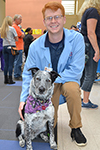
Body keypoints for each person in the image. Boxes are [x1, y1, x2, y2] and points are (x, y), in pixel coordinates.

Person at [18, 1, 87, 146]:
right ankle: (50, 126)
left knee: (73, 90)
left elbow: (76, 70)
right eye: (49, 18)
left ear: (64, 19)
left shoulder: (77, 39)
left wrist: (52, 79)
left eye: (57, 17)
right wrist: (23, 100)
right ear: (44, 21)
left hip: (67, 81)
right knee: (50, 122)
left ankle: (76, 127)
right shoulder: (35, 46)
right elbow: (27, 75)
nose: (53, 21)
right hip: (47, 85)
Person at [80, 0, 100, 109]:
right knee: (91, 74)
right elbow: (91, 33)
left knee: (84, 73)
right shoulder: (93, 12)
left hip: (86, 46)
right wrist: (97, 50)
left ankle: (81, 98)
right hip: (91, 46)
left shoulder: (88, 11)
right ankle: (85, 100)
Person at [0, 16, 18, 84]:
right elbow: (16, 38)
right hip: (11, 47)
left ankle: (5, 79)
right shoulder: (12, 29)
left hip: (4, 47)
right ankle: (10, 79)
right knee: (11, 64)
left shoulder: (2, 29)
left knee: (6, 64)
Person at [12, 14, 25, 80]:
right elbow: (22, 35)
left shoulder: (16, 27)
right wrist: (22, 34)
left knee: (18, 62)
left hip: (17, 47)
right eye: (20, 19)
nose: (21, 21)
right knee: (18, 62)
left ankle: (17, 74)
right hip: (18, 47)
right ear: (16, 20)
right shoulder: (15, 27)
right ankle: (17, 75)